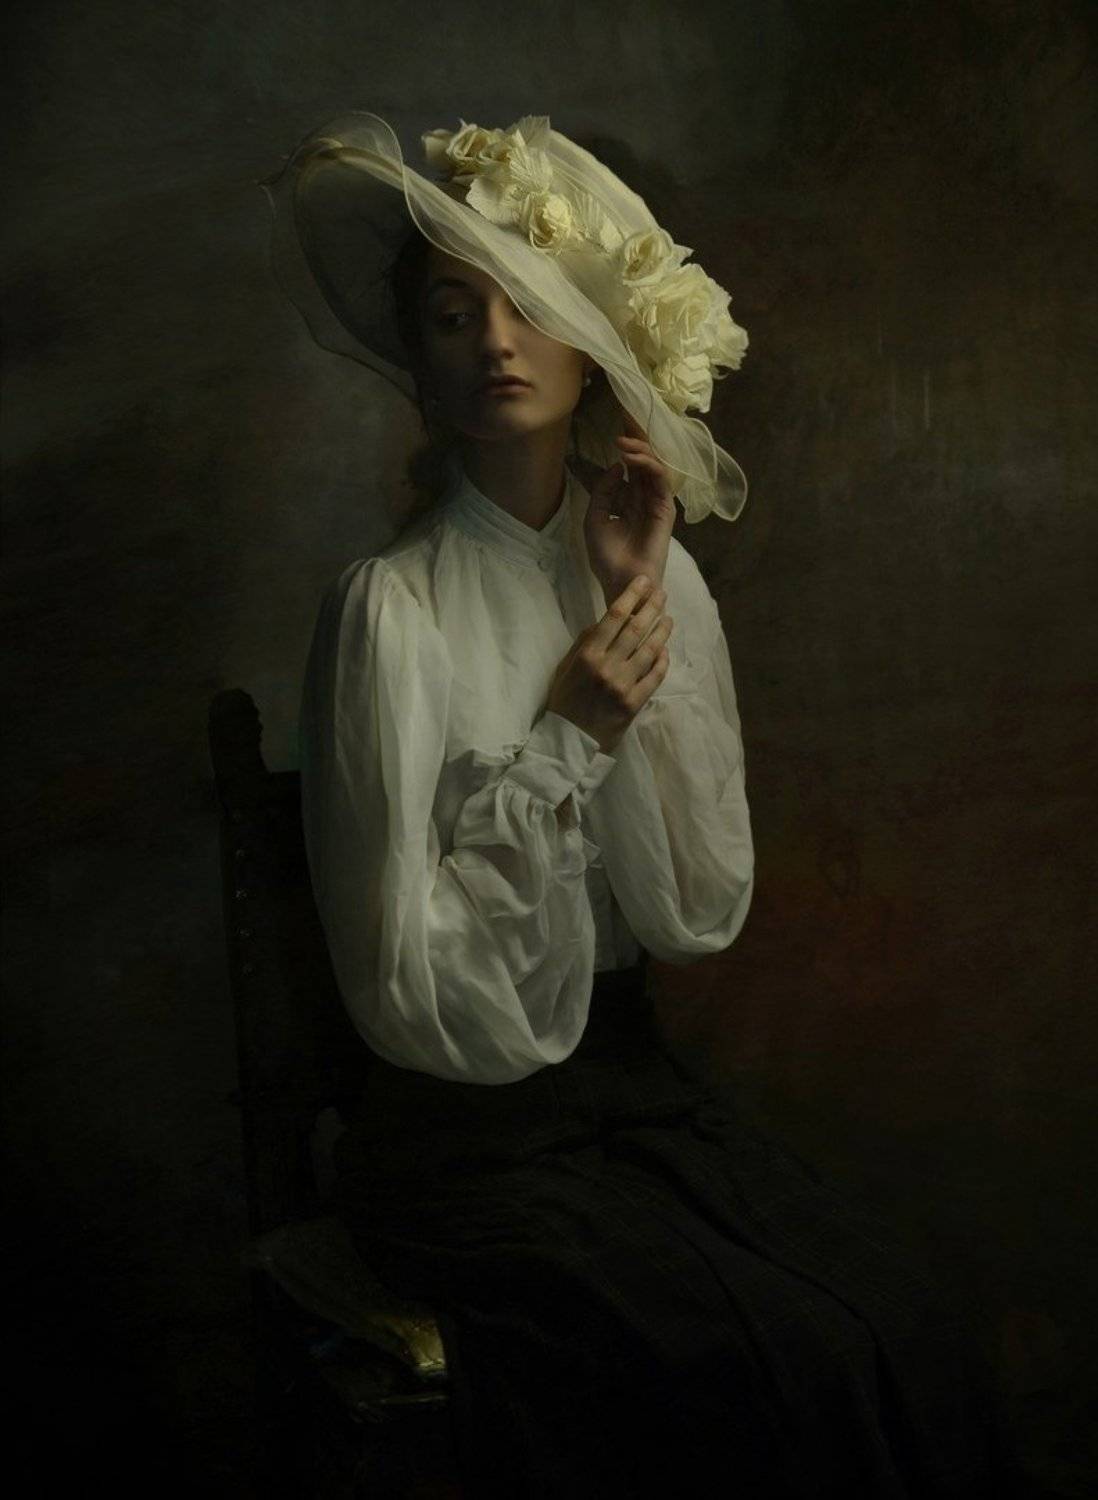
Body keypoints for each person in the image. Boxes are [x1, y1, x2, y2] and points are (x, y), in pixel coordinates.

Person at [263, 112, 1031, 1497]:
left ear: (588, 340)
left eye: (528, 304)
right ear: (419, 363)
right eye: (453, 315)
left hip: (636, 1106)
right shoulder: (389, 611)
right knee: (743, 1359)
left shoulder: (654, 576)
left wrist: (628, 603)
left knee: (895, 1318)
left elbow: (693, 912)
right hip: (463, 1140)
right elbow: (402, 991)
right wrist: (567, 742)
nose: (496, 344)